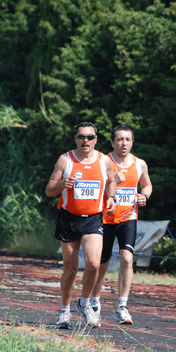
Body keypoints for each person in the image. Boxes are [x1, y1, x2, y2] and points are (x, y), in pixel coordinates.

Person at [45, 122, 116, 329]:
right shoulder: (65, 160)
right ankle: (64, 310)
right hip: (69, 218)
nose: (86, 140)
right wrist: (61, 185)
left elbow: (111, 180)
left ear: (96, 139)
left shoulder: (104, 160)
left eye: (90, 137)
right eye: (82, 137)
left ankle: (84, 304)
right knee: (70, 269)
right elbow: (49, 190)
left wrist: (111, 197)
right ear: (75, 139)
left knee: (94, 264)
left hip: (93, 218)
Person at [91, 125, 152, 325]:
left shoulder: (139, 164)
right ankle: (94, 302)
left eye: (127, 139)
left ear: (132, 142)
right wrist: (112, 181)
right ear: (112, 143)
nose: (123, 143)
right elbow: (93, 188)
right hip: (105, 218)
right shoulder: (103, 161)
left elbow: (147, 184)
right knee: (102, 263)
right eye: (119, 139)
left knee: (127, 258)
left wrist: (145, 196)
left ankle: (122, 306)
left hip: (128, 217)